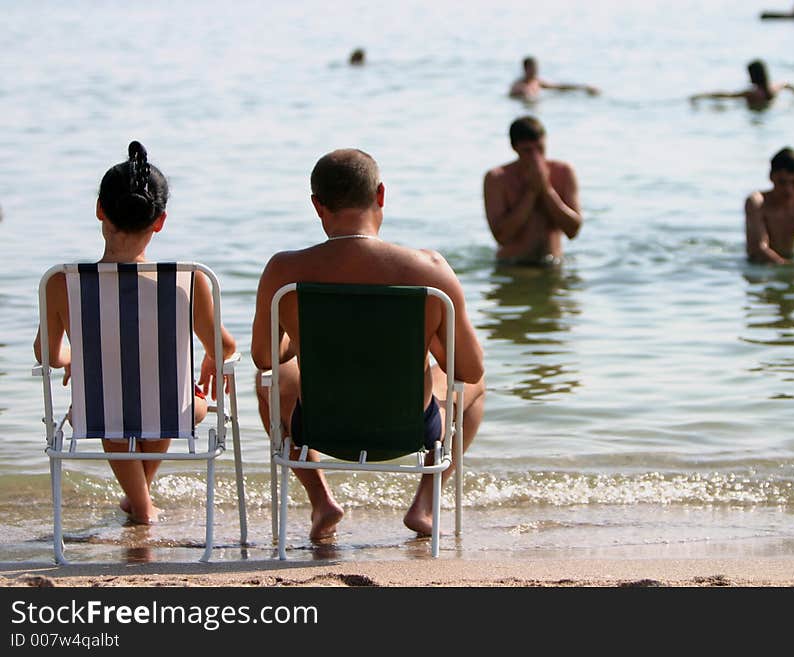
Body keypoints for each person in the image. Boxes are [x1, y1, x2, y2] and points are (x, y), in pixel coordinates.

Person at [250, 148, 485, 540]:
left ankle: (322, 501)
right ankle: (425, 503)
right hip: (410, 428)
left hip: (320, 426)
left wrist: (302, 338)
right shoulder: (429, 270)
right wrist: (432, 346)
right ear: (380, 195)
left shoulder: (284, 270)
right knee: (477, 387)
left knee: (269, 383)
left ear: (317, 205)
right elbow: (470, 369)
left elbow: (264, 358)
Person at [33, 141, 237, 524]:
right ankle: (143, 507)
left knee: (110, 408)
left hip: (97, 412)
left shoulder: (61, 282)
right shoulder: (187, 281)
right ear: (160, 221)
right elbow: (224, 346)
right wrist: (213, 355)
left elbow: (46, 354)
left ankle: (137, 501)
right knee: (180, 400)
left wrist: (75, 356)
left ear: (99, 210)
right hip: (168, 410)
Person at [483, 116, 582, 265]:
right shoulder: (496, 178)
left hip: (552, 264)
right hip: (512, 266)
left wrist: (546, 190)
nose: (536, 157)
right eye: (528, 151)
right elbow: (502, 236)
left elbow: (573, 230)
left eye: (540, 149)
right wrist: (531, 192)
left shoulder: (564, 172)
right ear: (514, 147)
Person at [690, 59, 794, 111]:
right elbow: (785, 85)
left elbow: (727, 95)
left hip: (754, 112)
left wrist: (702, 96)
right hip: (767, 108)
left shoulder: (751, 93)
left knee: (721, 109)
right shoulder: (772, 89)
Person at [509, 56, 600, 100]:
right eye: (532, 69)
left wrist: (584, 88)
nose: (535, 72)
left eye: (536, 69)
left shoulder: (537, 82)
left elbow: (559, 87)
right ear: (525, 69)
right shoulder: (518, 86)